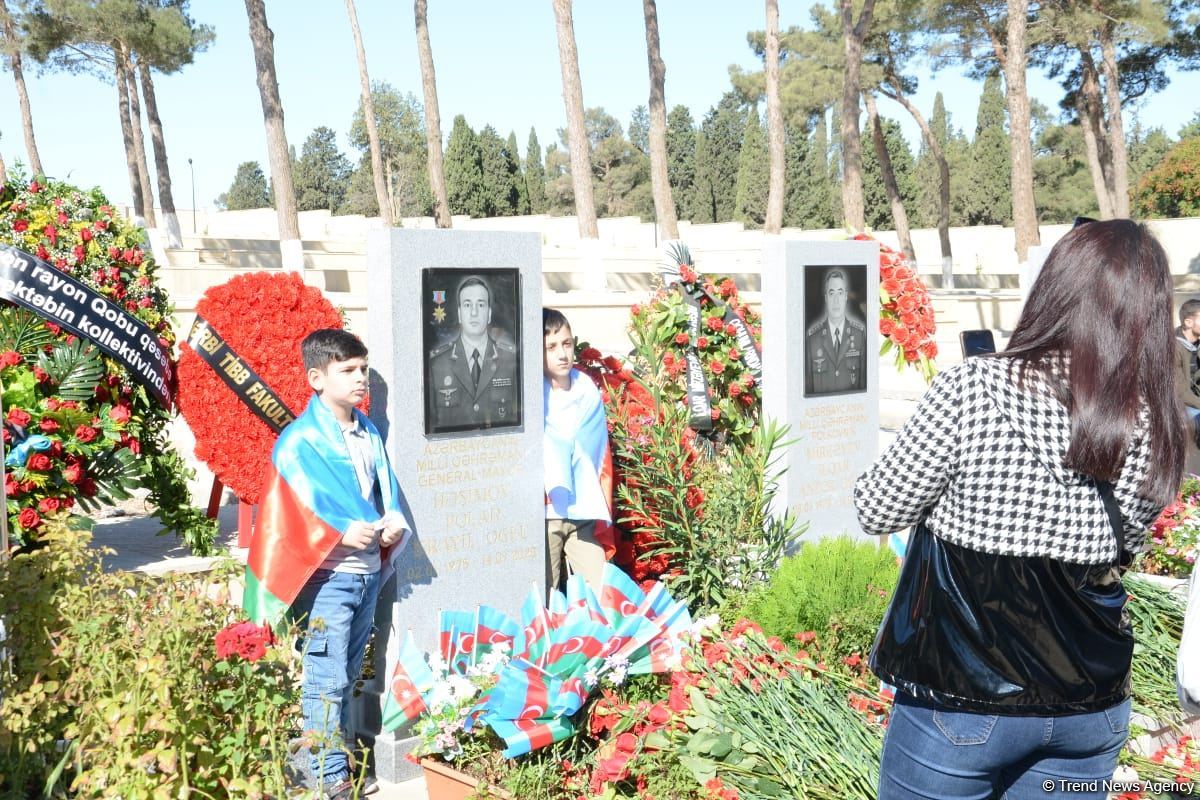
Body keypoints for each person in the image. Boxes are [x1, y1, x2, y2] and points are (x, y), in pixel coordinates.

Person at [854, 220, 1185, 799]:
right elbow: (1124, 546)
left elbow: (878, 509)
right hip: (1090, 706)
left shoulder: (972, 390)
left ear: (1055, 288)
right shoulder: (1153, 421)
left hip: (962, 700)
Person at [244, 329, 412, 800]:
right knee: (326, 675)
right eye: (348, 370)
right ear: (316, 378)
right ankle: (326, 771)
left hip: (365, 574)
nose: (361, 379)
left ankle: (332, 758)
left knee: (348, 671)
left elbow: (378, 492)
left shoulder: (367, 431)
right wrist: (339, 532)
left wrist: (391, 523)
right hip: (326, 578)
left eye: (364, 369)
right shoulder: (299, 442)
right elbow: (288, 512)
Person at [542, 308, 614, 594]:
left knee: (603, 591)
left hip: (582, 508)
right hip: (546, 511)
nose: (562, 354)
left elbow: (597, 450)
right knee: (546, 594)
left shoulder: (587, 389)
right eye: (551, 347)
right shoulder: (532, 395)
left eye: (567, 344)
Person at [428, 274, 518, 431]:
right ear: (459, 313)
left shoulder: (509, 359)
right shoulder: (438, 364)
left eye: (481, 305)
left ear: (489, 314)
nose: (474, 312)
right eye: (467, 305)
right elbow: (433, 422)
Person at [805, 267, 866, 395]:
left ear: (846, 296)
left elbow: (863, 385)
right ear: (826, 298)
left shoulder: (859, 335)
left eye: (840, 293)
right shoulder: (812, 339)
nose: (836, 300)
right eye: (832, 293)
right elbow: (808, 386)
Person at [1176, 298, 1200, 445]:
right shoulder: (1172, 348)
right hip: (1180, 406)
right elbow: (1181, 393)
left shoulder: (1196, 344)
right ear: (1188, 322)